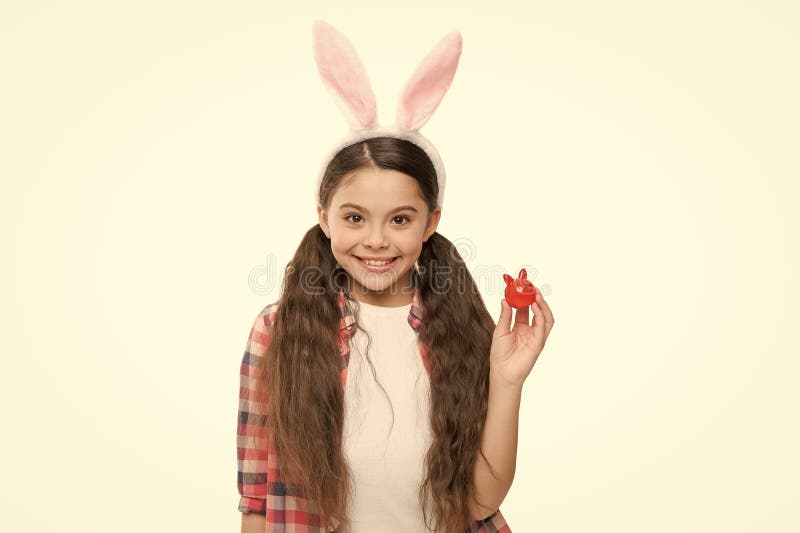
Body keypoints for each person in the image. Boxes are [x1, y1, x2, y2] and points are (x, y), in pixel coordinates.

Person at [237, 20, 554, 533]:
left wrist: (507, 380)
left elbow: (478, 502)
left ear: (431, 221)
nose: (377, 240)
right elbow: (256, 500)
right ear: (323, 216)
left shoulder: (460, 327)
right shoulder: (276, 333)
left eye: (400, 219)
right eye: (355, 217)